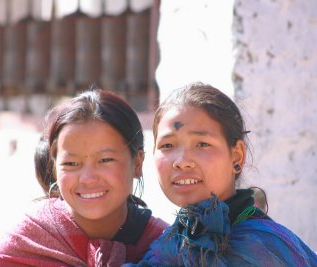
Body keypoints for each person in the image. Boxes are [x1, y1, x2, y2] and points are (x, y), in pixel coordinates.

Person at [125, 82, 317, 266]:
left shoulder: (266, 250)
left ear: (236, 156)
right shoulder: (167, 247)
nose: (182, 162)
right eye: (167, 145)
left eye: (202, 144)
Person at [0, 89, 168, 266]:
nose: (87, 178)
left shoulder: (172, 248)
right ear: (54, 167)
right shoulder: (20, 247)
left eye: (105, 160)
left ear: (137, 164)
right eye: (71, 164)